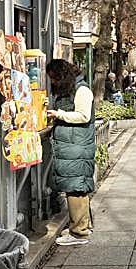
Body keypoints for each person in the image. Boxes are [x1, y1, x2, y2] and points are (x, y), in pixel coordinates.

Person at [46, 59, 96, 247]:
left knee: (76, 188)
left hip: (77, 146)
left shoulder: (82, 90)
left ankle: (79, 232)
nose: (52, 83)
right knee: (76, 186)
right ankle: (82, 225)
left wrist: (58, 114)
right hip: (73, 146)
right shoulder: (73, 88)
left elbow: (83, 116)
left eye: (54, 78)